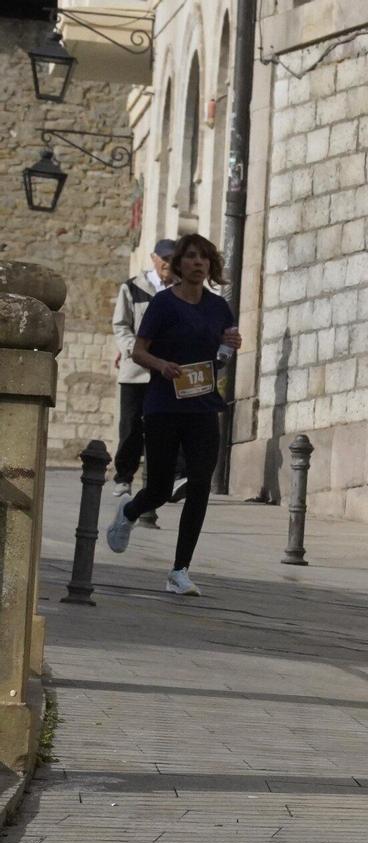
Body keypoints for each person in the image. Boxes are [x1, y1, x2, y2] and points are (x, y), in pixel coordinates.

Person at [103, 234, 242, 594]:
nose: (198, 263)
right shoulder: (163, 304)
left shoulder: (218, 307)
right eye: (191, 257)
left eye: (204, 259)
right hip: (164, 405)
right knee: (160, 489)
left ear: (210, 266)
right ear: (178, 265)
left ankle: (179, 570)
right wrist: (162, 365)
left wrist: (229, 348)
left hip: (203, 406)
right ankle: (130, 513)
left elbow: (225, 348)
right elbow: (138, 351)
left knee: (199, 485)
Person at [110, 240, 176, 508]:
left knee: (164, 426)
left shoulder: (181, 292)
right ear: (154, 259)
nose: (169, 265)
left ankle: (163, 481)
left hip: (166, 370)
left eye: (174, 259)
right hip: (135, 370)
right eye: (165, 259)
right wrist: (133, 349)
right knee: (131, 425)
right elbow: (121, 325)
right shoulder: (133, 287)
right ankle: (124, 476)